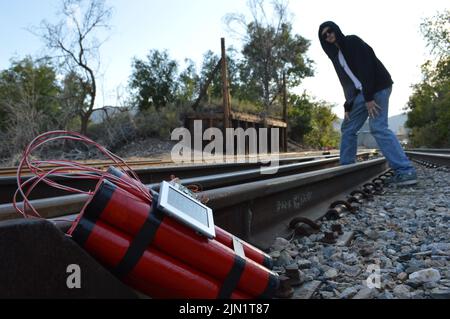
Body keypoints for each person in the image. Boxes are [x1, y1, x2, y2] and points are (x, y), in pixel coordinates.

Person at [318, 21, 417, 186]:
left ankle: (406, 171)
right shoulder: (337, 56)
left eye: (330, 31)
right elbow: (349, 84)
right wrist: (348, 106)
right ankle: (347, 169)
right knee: (348, 127)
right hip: (363, 93)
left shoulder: (352, 42)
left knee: (378, 127)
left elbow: (367, 68)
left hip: (377, 87)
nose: (328, 35)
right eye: (324, 35)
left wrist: (370, 98)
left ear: (336, 29)